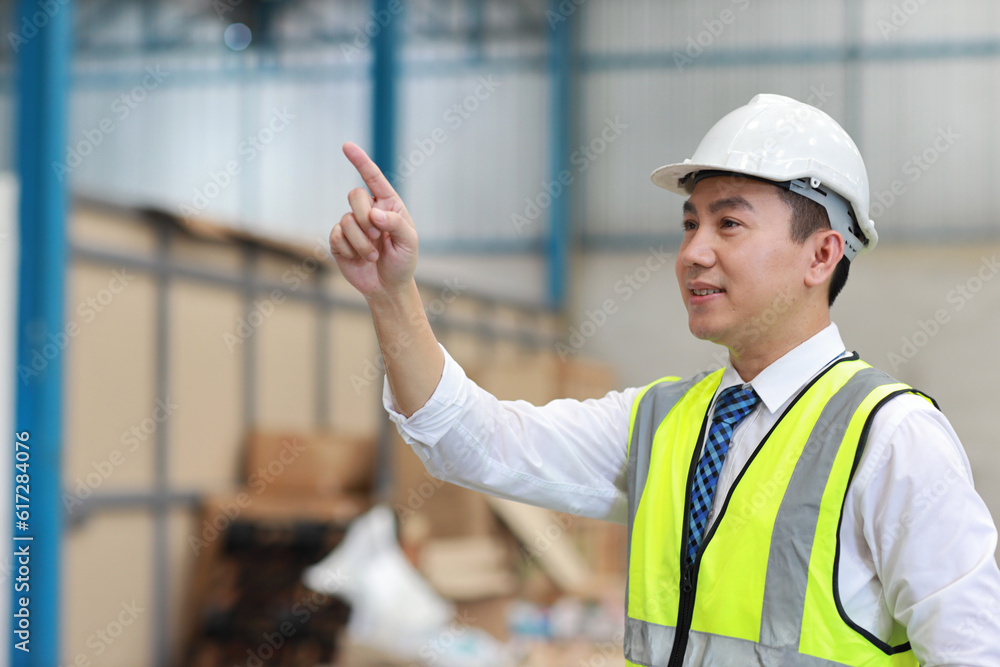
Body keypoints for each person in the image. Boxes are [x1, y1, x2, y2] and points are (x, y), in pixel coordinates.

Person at [329, 94, 1000, 666]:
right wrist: (392, 295)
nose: (692, 252)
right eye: (689, 224)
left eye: (728, 223)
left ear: (821, 255)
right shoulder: (660, 422)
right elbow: (469, 441)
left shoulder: (893, 439)